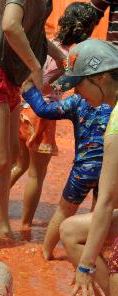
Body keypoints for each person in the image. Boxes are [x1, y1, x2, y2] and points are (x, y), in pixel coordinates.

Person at [0, 0, 62, 238]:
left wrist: (60, 56)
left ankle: (2, 226)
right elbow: (10, 25)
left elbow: (31, 32)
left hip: (10, 74)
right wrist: (36, 67)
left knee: (10, 152)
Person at [57, 40, 118, 296]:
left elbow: (107, 202)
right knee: (70, 231)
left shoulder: (114, 131)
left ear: (102, 78)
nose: (77, 94)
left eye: (79, 84)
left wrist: (85, 264)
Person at [10, 3, 100, 233]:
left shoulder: (47, 43)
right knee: (36, 175)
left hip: (21, 108)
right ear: (88, 30)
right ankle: (26, 224)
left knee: (19, 165)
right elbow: (51, 87)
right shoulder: (72, 56)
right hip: (42, 113)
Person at [20, 41, 110, 259]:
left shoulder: (77, 102)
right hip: (109, 169)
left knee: (64, 210)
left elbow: (43, 109)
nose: (77, 89)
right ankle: (93, 251)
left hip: (84, 169)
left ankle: (46, 251)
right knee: (98, 213)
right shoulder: (112, 103)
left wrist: (28, 90)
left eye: (79, 84)